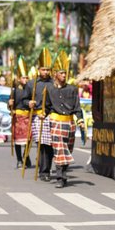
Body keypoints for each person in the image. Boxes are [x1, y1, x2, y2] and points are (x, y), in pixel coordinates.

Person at [45, 50, 86, 188]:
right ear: (55, 74)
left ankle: (63, 172)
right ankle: (60, 178)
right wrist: (42, 114)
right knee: (59, 150)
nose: (64, 75)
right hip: (55, 122)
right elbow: (47, 106)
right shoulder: (49, 89)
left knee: (68, 150)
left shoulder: (72, 89)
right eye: (61, 73)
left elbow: (77, 107)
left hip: (69, 123)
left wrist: (80, 120)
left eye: (65, 73)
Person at [27, 48, 55, 182]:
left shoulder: (54, 84)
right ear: (39, 70)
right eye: (43, 69)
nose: (45, 72)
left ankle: (46, 170)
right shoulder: (32, 84)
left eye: (48, 70)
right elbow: (23, 99)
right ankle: (42, 168)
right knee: (40, 144)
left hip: (49, 116)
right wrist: (29, 103)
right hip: (36, 116)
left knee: (48, 145)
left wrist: (48, 112)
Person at [9, 57, 32, 168]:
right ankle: (19, 160)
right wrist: (10, 103)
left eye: (27, 77)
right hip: (18, 117)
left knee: (28, 140)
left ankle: (26, 156)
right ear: (19, 78)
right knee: (18, 140)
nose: (25, 79)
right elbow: (9, 106)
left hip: (28, 117)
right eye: (23, 77)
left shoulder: (31, 89)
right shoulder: (14, 90)